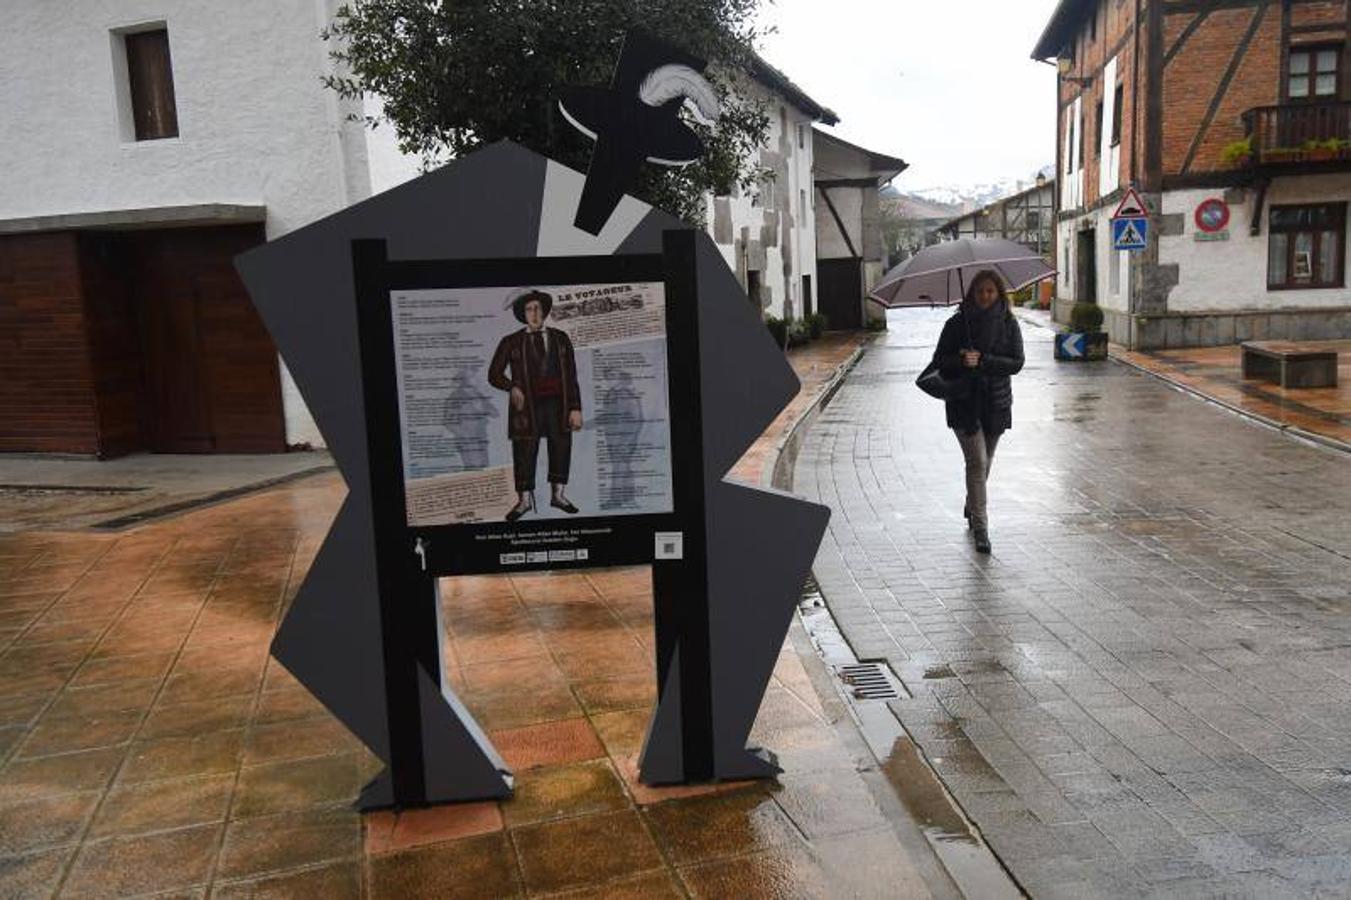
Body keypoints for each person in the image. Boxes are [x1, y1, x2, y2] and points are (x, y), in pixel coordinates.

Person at [930, 270, 1024, 554]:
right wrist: (961, 359)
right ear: (971, 293)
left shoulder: (1008, 323)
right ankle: (981, 526)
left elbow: (1016, 362)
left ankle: (972, 502)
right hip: (964, 403)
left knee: (987, 459)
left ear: (998, 294)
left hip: (996, 402)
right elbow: (938, 362)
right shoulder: (957, 324)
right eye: (980, 291)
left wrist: (984, 360)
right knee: (977, 462)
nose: (985, 296)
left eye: (990, 291)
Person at [488, 290, 583, 521]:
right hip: (526, 408)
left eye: (538, 308)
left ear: (545, 311)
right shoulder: (510, 342)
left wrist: (575, 408)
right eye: (529, 309)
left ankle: (558, 496)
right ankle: (524, 502)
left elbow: (571, 377)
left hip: (558, 405)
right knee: (524, 452)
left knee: (561, 447)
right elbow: (494, 374)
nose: (535, 313)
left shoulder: (561, 338)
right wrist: (512, 387)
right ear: (522, 313)